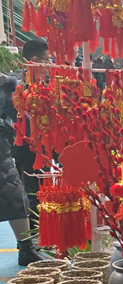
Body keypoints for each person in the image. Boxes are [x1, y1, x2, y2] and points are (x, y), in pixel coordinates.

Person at [0, 74, 43, 265]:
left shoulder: (6, 85)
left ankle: (26, 249)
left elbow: (17, 113)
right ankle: (26, 249)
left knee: (15, 198)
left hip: (2, 154)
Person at [13, 40, 50, 215]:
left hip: (44, 146)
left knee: (46, 190)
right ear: (36, 60)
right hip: (27, 148)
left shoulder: (45, 83)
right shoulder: (15, 85)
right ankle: (37, 236)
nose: (50, 65)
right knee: (33, 193)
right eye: (47, 60)